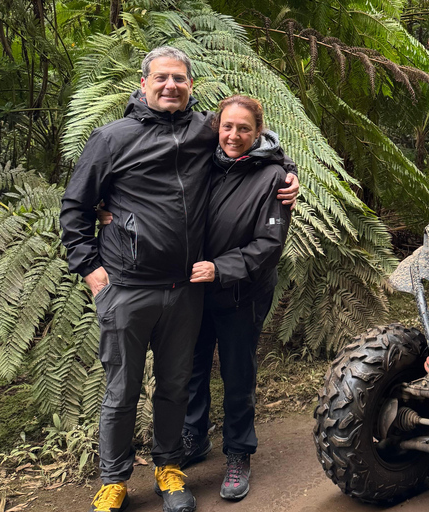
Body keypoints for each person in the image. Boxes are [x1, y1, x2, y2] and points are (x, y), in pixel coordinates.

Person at [60, 46, 298, 512]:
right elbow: (75, 207)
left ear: (191, 85)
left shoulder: (202, 130)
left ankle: (171, 469)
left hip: (183, 289)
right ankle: (114, 479)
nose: (171, 85)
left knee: (175, 383)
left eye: (180, 79)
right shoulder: (111, 138)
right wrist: (91, 270)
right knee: (121, 388)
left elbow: (250, 138)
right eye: (162, 77)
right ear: (144, 82)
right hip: (126, 287)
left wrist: (288, 172)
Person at [180, 95, 292, 501]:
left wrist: (220, 268)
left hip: (241, 292)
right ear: (217, 126)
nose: (234, 135)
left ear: (258, 131)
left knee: (236, 372)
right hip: (193, 291)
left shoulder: (275, 178)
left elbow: (269, 244)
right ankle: (193, 437)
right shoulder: (201, 160)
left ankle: (238, 452)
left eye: (244, 129)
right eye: (227, 126)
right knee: (191, 367)